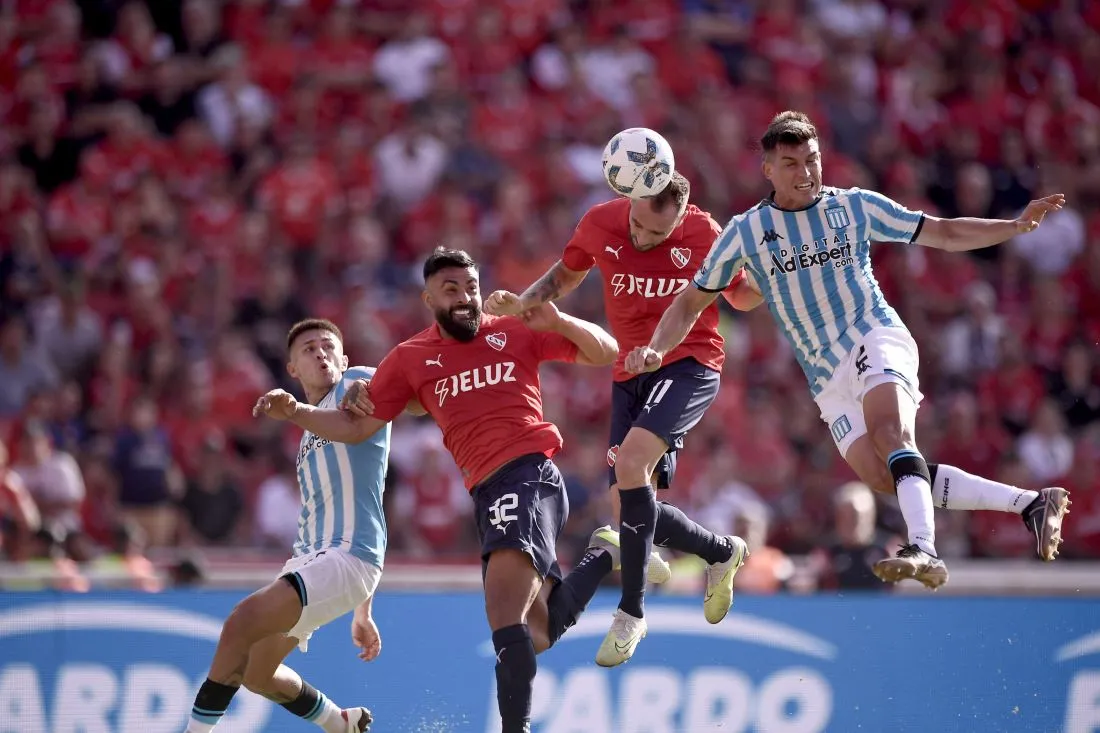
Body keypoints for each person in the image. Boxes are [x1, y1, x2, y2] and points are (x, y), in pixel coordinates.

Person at [628, 110, 1071, 590]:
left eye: (812, 160)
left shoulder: (854, 207)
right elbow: (692, 299)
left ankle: (923, 547)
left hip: (874, 335)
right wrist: (655, 349)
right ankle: (1029, 503)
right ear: (769, 171)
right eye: (792, 163)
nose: (806, 172)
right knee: (885, 478)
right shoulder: (746, 232)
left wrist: (1013, 226)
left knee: (890, 432)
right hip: (825, 377)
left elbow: (941, 232)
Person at [254, 247, 670, 733]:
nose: (465, 298)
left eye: (470, 287)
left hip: (528, 473)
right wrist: (297, 413)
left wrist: (558, 321)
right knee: (535, 633)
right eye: (451, 290)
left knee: (502, 615)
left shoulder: (512, 327)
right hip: (486, 494)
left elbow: (604, 351)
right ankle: (603, 552)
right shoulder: (410, 358)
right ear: (428, 298)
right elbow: (355, 427)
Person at [483, 170, 758, 666]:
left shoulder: (704, 234)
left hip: (689, 363)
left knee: (631, 471)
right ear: (628, 201)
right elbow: (566, 274)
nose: (645, 239)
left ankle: (631, 611)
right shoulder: (600, 223)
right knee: (626, 506)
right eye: (641, 227)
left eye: (659, 235)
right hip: (629, 368)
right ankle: (720, 552)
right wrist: (523, 303)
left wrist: (767, 267)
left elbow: (743, 296)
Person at [185, 319, 386, 733]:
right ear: (292, 369)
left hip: (347, 557)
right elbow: (365, 505)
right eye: (308, 349)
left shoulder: (358, 383)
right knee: (258, 673)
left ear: (344, 358)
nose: (320, 353)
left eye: (328, 346)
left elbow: (363, 414)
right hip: (315, 561)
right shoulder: (306, 441)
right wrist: (361, 611)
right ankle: (340, 721)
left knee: (240, 623)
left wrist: (296, 409)